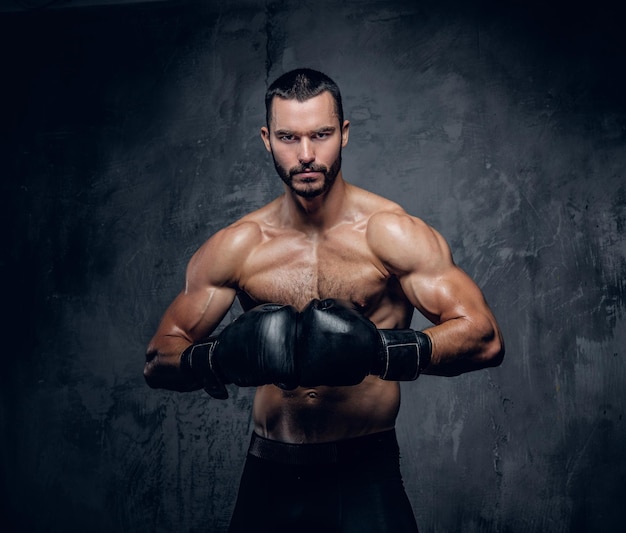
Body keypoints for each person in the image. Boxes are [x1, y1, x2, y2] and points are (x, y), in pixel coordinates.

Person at [144, 68, 505, 532]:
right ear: (266, 139)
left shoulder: (389, 233)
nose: (307, 154)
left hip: (364, 473)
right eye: (289, 137)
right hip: (268, 473)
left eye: (321, 134)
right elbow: (158, 359)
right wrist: (214, 359)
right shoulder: (241, 245)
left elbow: (485, 337)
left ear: (345, 133)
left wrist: (381, 352)